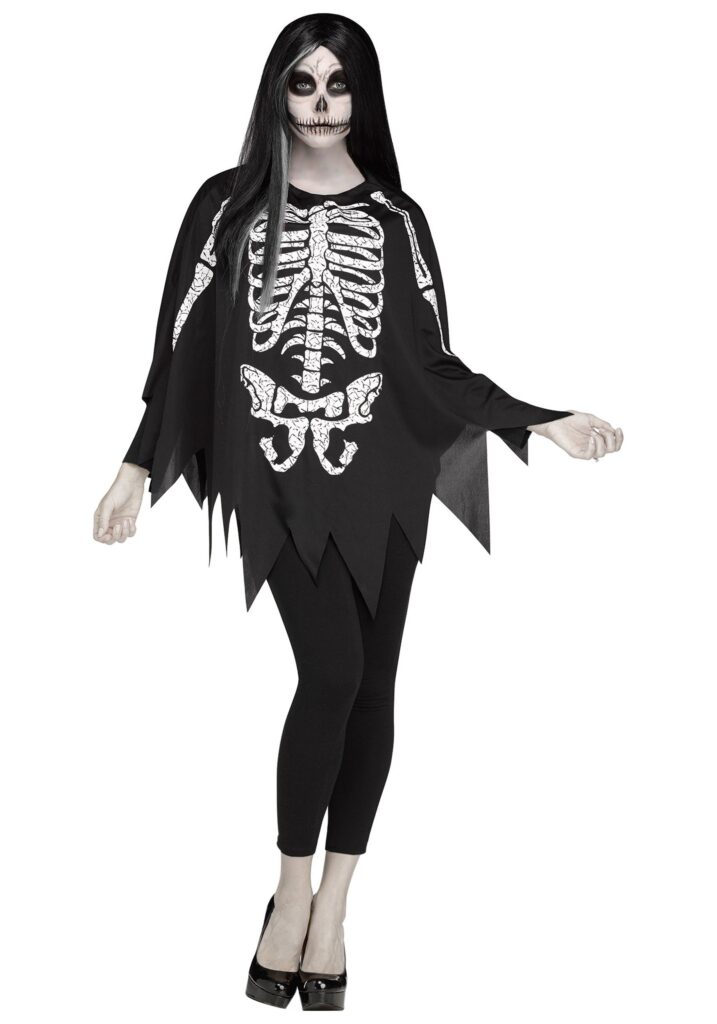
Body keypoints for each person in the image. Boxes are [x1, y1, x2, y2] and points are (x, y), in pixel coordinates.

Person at [93, 13, 623, 1011]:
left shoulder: (396, 217)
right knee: (330, 671)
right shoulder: (225, 205)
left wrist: (541, 420)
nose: (322, 104)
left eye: (340, 84)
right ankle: (289, 892)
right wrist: (133, 465)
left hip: (376, 472)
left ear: (364, 96)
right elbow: (182, 344)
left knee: (372, 687)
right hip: (276, 471)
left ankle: (334, 907)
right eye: (303, 83)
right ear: (277, 91)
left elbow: (429, 362)